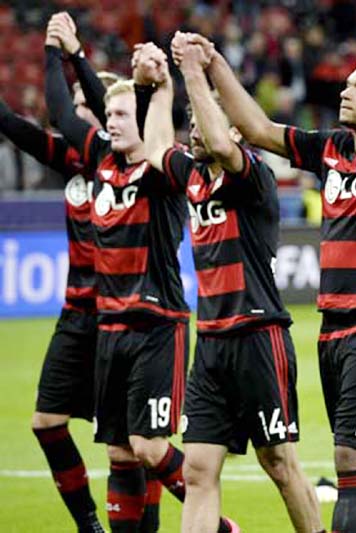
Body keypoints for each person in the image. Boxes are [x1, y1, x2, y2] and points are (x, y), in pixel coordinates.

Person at [176, 21, 356, 532]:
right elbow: (262, 131)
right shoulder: (332, 150)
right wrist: (217, 64)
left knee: (352, 461)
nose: (345, 90)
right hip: (332, 325)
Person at [43, 14, 236, 533]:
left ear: (144, 118)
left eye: (124, 113)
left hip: (156, 326)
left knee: (150, 445)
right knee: (120, 451)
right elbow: (63, 110)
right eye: (109, 113)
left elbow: (154, 128)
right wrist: (57, 51)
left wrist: (154, 84)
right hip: (110, 328)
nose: (113, 121)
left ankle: (221, 526)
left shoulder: (158, 173)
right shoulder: (103, 165)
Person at [139, 37, 322, 533]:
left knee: (279, 464)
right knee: (198, 470)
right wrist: (160, 86)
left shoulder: (252, 176)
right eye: (192, 121)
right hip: (213, 341)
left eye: (205, 119)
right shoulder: (193, 176)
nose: (196, 129)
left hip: (258, 335)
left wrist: (195, 70)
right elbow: (154, 148)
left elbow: (222, 143)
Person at [2, 14, 116, 531]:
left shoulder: (121, 159)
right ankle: (88, 524)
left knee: (133, 449)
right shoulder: (71, 158)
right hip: (76, 317)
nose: (68, 116)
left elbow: (53, 107)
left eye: (79, 108)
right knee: (46, 424)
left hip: (123, 318)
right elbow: (13, 125)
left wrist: (58, 52)